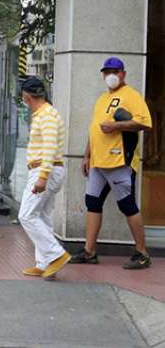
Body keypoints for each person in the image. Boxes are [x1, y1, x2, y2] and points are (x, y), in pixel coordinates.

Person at [70, 57, 153, 269]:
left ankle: (142, 253)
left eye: (114, 71)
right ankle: (89, 252)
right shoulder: (102, 99)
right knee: (93, 203)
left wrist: (118, 126)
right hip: (99, 163)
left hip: (119, 162)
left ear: (123, 73)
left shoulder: (132, 96)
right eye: (106, 72)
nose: (110, 75)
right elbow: (94, 129)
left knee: (127, 205)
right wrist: (87, 155)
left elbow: (144, 123)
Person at [17, 77, 71, 279]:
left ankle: (56, 255)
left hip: (44, 171)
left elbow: (49, 148)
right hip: (46, 170)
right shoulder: (45, 114)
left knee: (27, 215)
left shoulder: (47, 115)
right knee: (42, 217)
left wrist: (42, 177)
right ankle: (44, 263)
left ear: (27, 96)